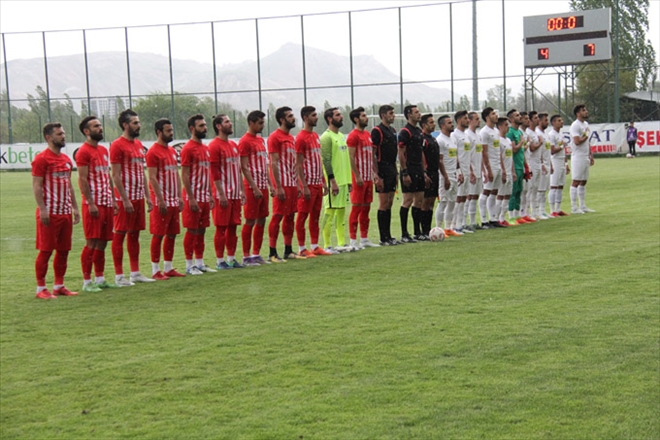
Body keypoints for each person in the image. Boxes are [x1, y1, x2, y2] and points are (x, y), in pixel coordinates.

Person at [32, 122, 80, 299]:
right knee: (46, 250)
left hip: (65, 212)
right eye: (59, 134)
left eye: (63, 133)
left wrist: (75, 207)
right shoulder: (42, 159)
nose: (63, 136)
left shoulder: (66, 160)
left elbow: (69, 186)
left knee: (64, 250)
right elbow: (36, 186)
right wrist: (42, 209)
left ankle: (59, 285)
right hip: (50, 213)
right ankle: (40, 288)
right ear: (49, 137)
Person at [111, 109, 154, 284]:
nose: (139, 125)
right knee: (120, 234)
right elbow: (115, 175)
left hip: (137, 197)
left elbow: (141, 173)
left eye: (138, 122)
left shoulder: (138, 145)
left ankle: (135, 272)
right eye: (135, 123)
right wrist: (125, 199)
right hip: (124, 198)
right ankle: (119, 275)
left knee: (135, 234)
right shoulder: (117, 145)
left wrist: (147, 196)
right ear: (125, 125)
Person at [76, 116, 118, 292]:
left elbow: (107, 176)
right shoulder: (83, 152)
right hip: (94, 204)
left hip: (107, 202)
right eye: (96, 126)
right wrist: (90, 202)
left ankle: (100, 278)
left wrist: (114, 199)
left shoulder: (102, 150)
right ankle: (87, 281)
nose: (100, 128)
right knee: (91, 242)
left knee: (103, 242)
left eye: (100, 125)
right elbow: (82, 179)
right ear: (86, 131)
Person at [146, 118, 185, 280]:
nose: (171, 133)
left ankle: (168, 267)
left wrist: (179, 196)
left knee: (172, 234)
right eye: (168, 131)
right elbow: (152, 178)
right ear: (159, 132)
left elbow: (175, 174)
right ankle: (155, 270)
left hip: (173, 200)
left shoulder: (171, 151)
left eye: (171, 130)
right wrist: (160, 199)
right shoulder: (153, 152)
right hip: (161, 200)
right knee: (158, 234)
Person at [209, 114, 246, 269]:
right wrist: (220, 192)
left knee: (233, 226)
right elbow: (214, 171)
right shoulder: (214, 146)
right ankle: (219, 261)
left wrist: (242, 190)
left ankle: (231, 258)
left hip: (235, 194)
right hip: (222, 194)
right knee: (221, 227)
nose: (230, 124)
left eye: (230, 121)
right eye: (226, 122)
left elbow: (238, 169)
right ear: (218, 126)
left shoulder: (233, 144)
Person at [295, 106, 331, 257]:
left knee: (316, 215)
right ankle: (302, 249)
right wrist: (303, 185)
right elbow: (298, 164)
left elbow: (318, 160)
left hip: (317, 183)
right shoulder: (301, 138)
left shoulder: (315, 136)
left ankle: (315, 246)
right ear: (305, 118)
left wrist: (323, 181)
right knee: (303, 216)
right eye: (313, 115)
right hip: (308, 184)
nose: (316, 117)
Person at [180, 114, 214, 274]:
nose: (205, 128)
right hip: (193, 197)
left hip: (204, 197)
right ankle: (189, 264)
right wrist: (191, 197)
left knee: (202, 230)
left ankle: (200, 262)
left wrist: (210, 194)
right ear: (192, 129)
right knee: (192, 230)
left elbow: (207, 173)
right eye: (201, 126)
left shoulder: (205, 149)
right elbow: (185, 174)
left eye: (205, 125)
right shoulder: (187, 149)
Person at [240, 110, 272, 266]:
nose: (262, 125)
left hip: (263, 186)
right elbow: (244, 167)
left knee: (262, 220)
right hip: (252, 188)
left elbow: (265, 165)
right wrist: (254, 187)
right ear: (251, 123)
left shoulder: (260, 141)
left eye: (263, 122)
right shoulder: (245, 141)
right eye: (260, 123)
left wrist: (270, 184)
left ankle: (256, 254)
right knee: (250, 221)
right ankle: (246, 256)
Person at [267, 106, 300, 262]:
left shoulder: (291, 138)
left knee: (290, 216)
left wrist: (298, 183)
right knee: (278, 216)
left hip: (292, 183)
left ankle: (288, 250)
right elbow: (273, 162)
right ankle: (272, 253)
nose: (293, 118)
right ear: (282, 119)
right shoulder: (275, 137)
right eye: (290, 116)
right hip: (282, 183)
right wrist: (278, 186)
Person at [347, 106, 379, 249]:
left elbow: (371, 156)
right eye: (364, 116)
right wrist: (357, 175)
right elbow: (351, 157)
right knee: (357, 208)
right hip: (359, 178)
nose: (366, 118)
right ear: (356, 119)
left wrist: (374, 173)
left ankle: (364, 238)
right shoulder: (353, 136)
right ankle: (353, 240)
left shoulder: (367, 134)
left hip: (368, 177)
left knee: (366, 208)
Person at [320, 107, 352, 253]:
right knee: (330, 212)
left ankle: (341, 243)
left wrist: (349, 180)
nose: (341, 117)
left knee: (341, 212)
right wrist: (332, 181)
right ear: (329, 119)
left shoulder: (341, 136)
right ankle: (327, 245)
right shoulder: (326, 137)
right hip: (334, 182)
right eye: (338, 115)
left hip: (344, 181)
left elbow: (343, 160)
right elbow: (326, 161)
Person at [398, 105, 429, 242]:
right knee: (408, 201)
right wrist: (405, 172)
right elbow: (401, 153)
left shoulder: (419, 131)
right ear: (409, 115)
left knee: (419, 201)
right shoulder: (405, 132)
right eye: (416, 112)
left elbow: (421, 152)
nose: (419, 114)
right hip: (409, 169)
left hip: (418, 170)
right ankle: (405, 234)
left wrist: (424, 171)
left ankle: (417, 232)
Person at [371, 105, 399, 245]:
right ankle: (383, 237)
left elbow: (394, 155)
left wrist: (396, 173)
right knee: (383, 203)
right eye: (390, 113)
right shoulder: (377, 131)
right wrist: (376, 174)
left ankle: (389, 236)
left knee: (390, 202)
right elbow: (373, 154)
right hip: (382, 169)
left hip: (391, 169)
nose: (393, 116)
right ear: (383, 115)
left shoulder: (393, 130)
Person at [435, 115, 464, 236]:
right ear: (442, 126)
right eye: (449, 123)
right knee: (443, 202)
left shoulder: (452, 139)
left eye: (451, 122)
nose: (452, 124)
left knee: (452, 201)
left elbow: (455, 158)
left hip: (453, 175)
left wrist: (459, 172)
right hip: (444, 176)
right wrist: (445, 177)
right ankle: (438, 229)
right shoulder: (440, 140)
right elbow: (440, 160)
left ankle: (448, 228)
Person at [421, 113, 448, 238]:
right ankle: (423, 230)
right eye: (431, 122)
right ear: (424, 125)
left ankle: (428, 230)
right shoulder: (422, 139)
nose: (433, 125)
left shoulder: (433, 139)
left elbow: (438, 159)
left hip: (434, 172)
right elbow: (421, 157)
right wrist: (424, 173)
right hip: (426, 173)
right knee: (425, 202)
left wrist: (444, 175)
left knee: (431, 202)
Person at [478, 107, 506, 228]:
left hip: (497, 165)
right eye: (493, 114)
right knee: (486, 192)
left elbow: (498, 151)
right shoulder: (484, 132)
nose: (496, 115)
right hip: (490, 166)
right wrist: (488, 169)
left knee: (494, 192)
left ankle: (493, 219)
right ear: (487, 117)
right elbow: (484, 152)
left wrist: (502, 168)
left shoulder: (495, 131)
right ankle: (484, 221)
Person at [569, 104, 595, 213]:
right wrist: (586, 136)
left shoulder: (586, 124)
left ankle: (583, 205)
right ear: (578, 113)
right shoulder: (575, 125)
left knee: (584, 181)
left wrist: (591, 154)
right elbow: (577, 141)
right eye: (583, 110)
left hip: (585, 156)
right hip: (578, 157)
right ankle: (574, 207)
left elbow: (586, 142)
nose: (586, 112)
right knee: (576, 181)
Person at [451, 110, 472, 233]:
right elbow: (455, 155)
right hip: (459, 172)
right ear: (459, 120)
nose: (468, 120)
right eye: (465, 118)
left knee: (464, 198)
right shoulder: (455, 135)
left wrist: (470, 170)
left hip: (467, 171)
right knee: (458, 198)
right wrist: (458, 171)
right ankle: (454, 225)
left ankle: (461, 224)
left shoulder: (466, 136)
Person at [548, 114, 570, 216]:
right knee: (554, 186)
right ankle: (552, 210)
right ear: (553, 123)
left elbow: (563, 151)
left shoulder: (561, 133)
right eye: (559, 120)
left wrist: (566, 163)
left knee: (561, 186)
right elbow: (552, 151)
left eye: (561, 120)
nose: (561, 122)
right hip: (555, 161)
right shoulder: (551, 135)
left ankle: (558, 209)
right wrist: (562, 146)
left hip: (561, 161)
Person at [465, 111, 483, 231]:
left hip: (479, 169)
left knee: (475, 196)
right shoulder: (467, 135)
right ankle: (464, 222)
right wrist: (470, 170)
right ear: (470, 121)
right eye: (476, 119)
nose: (479, 121)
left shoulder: (478, 135)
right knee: (468, 196)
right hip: (470, 170)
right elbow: (467, 155)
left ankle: (473, 221)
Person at [496, 117, 514, 226]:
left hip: (509, 172)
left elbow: (510, 157)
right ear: (500, 126)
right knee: (500, 195)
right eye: (506, 125)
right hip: (503, 172)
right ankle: (497, 218)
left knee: (507, 195)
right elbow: (499, 157)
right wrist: (503, 171)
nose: (508, 127)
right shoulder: (498, 140)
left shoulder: (507, 140)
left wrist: (513, 171)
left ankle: (503, 217)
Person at [525, 111, 543, 220]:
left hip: (537, 162)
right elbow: (532, 148)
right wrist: (540, 143)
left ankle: (536, 211)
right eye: (535, 118)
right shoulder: (528, 133)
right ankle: (527, 212)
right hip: (531, 162)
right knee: (530, 188)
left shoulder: (535, 132)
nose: (538, 120)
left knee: (536, 187)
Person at [536, 112, 552, 219]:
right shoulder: (538, 134)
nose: (547, 122)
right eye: (545, 120)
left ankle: (543, 210)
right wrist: (542, 164)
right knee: (540, 189)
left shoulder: (546, 134)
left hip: (547, 163)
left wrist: (550, 163)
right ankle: (538, 211)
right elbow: (539, 152)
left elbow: (547, 151)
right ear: (540, 121)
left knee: (545, 188)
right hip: (541, 164)